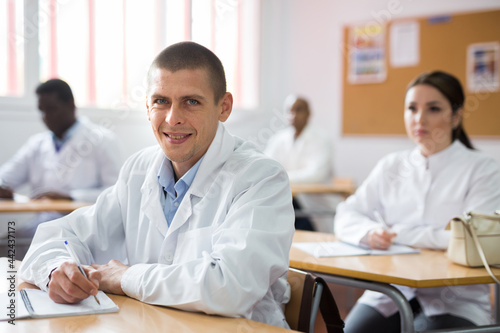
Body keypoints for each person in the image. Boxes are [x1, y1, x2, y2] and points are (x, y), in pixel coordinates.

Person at [19, 42, 295, 328]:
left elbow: (229, 287)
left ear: (223, 107)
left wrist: (126, 277)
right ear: (147, 107)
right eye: (161, 101)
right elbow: (61, 235)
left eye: (191, 101)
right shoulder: (139, 170)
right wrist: (57, 270)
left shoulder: (261, 178)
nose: (173, 118)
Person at [334, 71, 500, 332]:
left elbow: (472, 241)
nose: (419, 119)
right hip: (390, 291)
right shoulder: (391, 165)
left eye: (433, 109)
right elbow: (346, 213)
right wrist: (369, 232)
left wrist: (399, 233)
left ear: (456, 116)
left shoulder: (483, 169)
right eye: (412, 108)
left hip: (455, 299)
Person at [0, 79, 122, 246]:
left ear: (71, 105)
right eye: (41, 110)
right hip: (42, 226)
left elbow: (115, 193)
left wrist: (71, 197)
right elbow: (6, 175)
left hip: (85, 230)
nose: (45, 117)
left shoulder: (102, 140)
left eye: (51, 109)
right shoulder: (36, 145)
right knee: (6, 247)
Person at [265, 95, 336, 232]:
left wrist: (281, 178)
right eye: (289, 111)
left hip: (314, 205)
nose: (293, 115)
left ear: (309, 113)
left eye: (299, 110)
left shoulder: (322, 139)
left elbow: (316, 175)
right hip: (286, 202)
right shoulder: (278, 139)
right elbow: (266, 167)